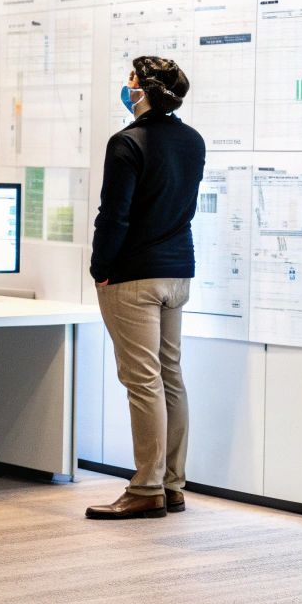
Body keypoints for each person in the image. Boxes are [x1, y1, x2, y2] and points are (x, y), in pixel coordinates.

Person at [86, 55, 206, 520]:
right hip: (178, 272)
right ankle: (172, 484)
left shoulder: (126, 143)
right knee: (169, 376)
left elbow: (113, 215)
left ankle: (145, 488)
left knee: (142, 382)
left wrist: (100, 268)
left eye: (132, 78)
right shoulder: (192, 141)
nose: (127, 83)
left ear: (145, 90)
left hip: (134, 276)